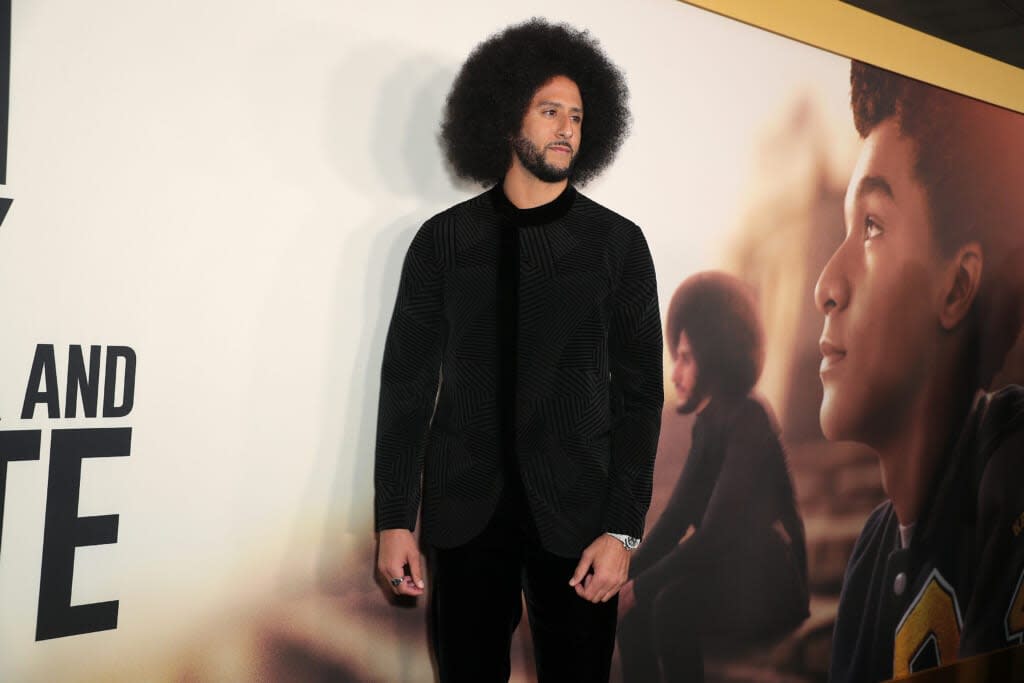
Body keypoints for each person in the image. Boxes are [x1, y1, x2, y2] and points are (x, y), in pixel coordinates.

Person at [372, 19, 663, 683]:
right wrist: (394, 518)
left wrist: (622, 530)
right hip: (466, 518)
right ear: (507, 119)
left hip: (583, 524)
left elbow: (643, 392)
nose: (566, 128)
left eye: (578, 116)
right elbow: (408, 384)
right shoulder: (443, 241)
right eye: (549, 110)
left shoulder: (617, 245)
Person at [817, 61, 1024, 682]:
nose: (826, 284)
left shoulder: (1012, 470)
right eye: (844, 228)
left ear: (956, 286)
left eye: (873, 226)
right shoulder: (872, 557)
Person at [617, 271, 809, 683]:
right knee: (633, 604)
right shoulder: (708, 424)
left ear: (715, 352)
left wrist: (643, 586)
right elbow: (675, 519)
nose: (675, 372)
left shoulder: (750, 419)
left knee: (669, 604)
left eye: (685, 357)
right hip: (726, 571)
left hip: (769, 579)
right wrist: (625, 579)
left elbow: (718, 530)